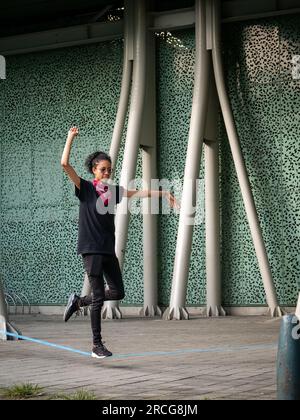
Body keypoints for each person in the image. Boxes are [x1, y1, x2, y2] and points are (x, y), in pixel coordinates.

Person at [61, 127, 179, 359]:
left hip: (108, 249)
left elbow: (138, 193)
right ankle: (97, 345)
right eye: (102, 169)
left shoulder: (113, 191)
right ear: (94, 170)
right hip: (91, 250)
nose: (106, 173)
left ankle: (77, 302)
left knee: (117, 292)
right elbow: (65, 164)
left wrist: (164, 194)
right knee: (98, 298)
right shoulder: (84, 188)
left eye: (109, 169)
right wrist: (70, 138)